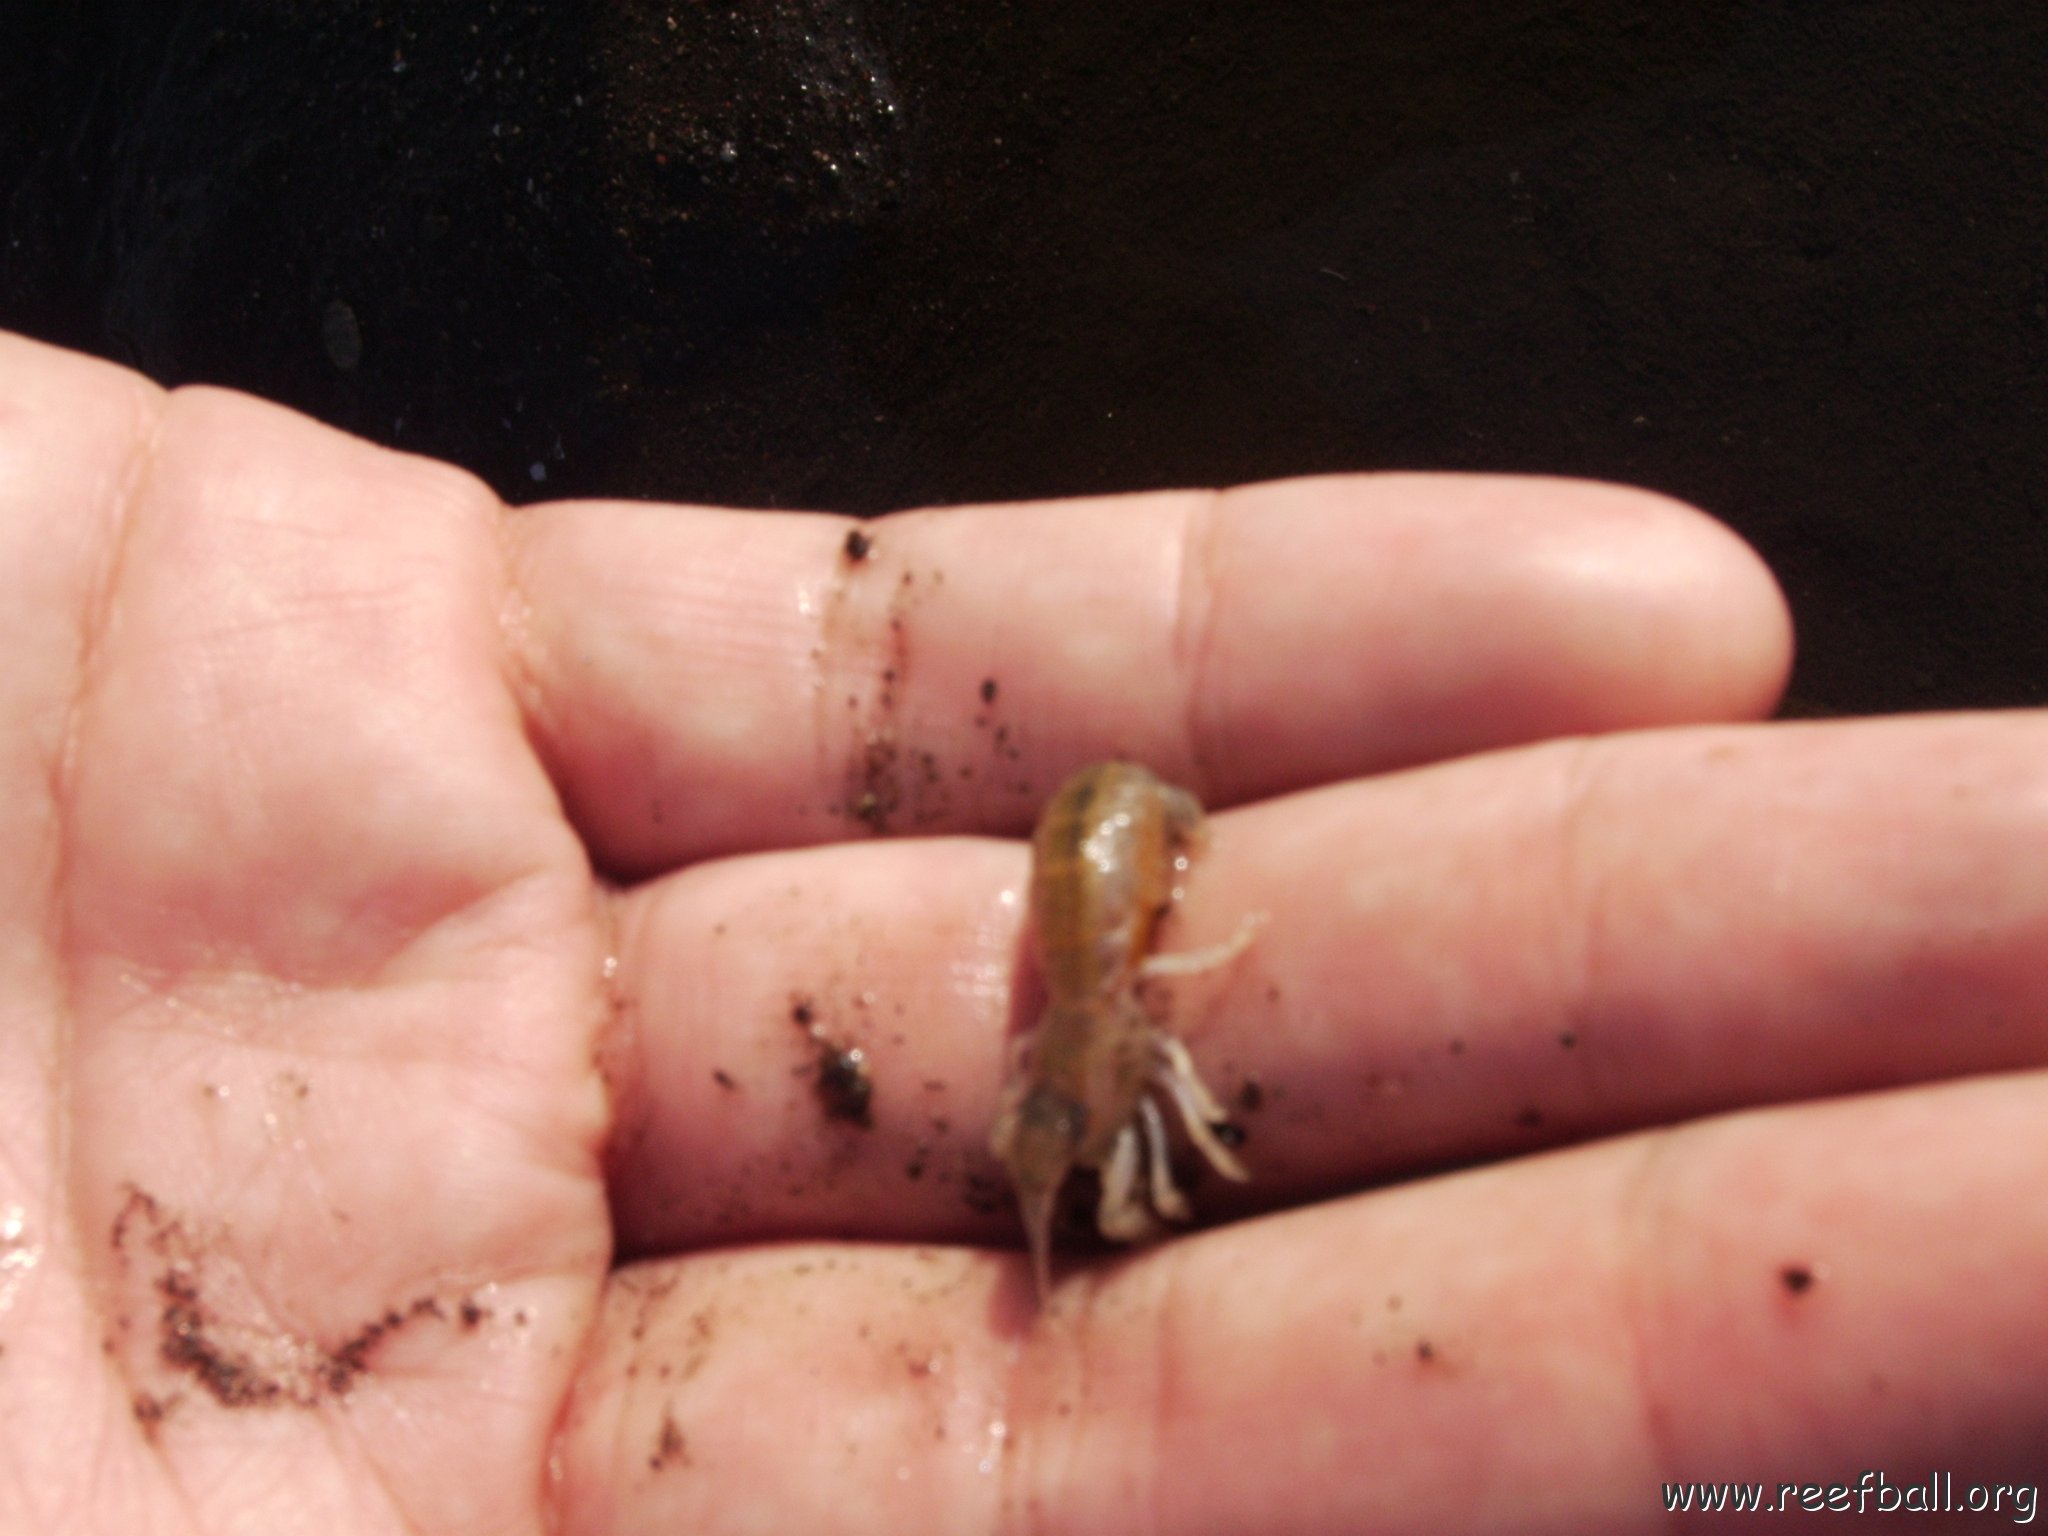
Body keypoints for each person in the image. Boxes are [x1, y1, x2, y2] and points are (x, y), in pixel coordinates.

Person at [1, 326, 2039, 1534]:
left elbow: (1147, 1004)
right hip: (1102, 908)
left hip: (1108, 895)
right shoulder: (1107, 994)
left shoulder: (1119, 965)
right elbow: (1140, 1019)